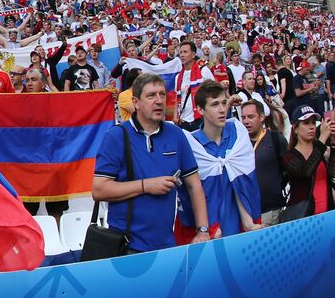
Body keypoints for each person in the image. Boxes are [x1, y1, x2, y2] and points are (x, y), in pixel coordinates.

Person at [91, 72, 209, 252]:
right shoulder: (116, 137)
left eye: (162, 94)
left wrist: (202, 230)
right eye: (151, 95)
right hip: (127, 247)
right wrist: (145, 186)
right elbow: (99, 189)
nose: (159, 100)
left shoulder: (176, 134)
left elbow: (194, 185)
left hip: (167, 245)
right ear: (136, 103)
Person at [178, 80, 260, 240]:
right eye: (215, 105)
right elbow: (188, 194)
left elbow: (243, 180)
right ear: (200, 109)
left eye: (224, 103)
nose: (222, 110)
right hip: (208, 237)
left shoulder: (237, 134)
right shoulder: (191, 145)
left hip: (240, 232)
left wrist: (248, 221)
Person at [281, 104, 335, 218]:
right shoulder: (289, 156)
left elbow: (333, 177)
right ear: (295, 128)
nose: (311, 127)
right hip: (303, 217)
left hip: (326, 212)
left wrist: (334, 142)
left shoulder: (320, 150)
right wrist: (323, 138)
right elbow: (306, 172)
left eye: (313, 122)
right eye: (306, 123)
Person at [240, 99, 287, 226]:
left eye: (250, 117)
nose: (246, 121)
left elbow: (287, 170)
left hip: (269, 209)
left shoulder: (276, 139)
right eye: (243, 118)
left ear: (261, 117)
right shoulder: (239, 143)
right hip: (246, 211)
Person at [172, 40, 213, 131]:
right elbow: (177, 98)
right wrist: (175, 116)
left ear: (193, 55)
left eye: (185, 52)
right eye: (181, 52)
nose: (182, 55)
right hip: (183, 121)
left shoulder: (203, 71)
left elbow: (214, 92)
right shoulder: (178, 77)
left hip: (201, 119)